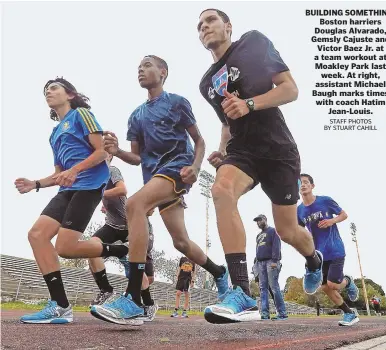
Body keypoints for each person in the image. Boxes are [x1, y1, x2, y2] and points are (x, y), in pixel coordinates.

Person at [197, 9, 323, 323]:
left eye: (210, 20)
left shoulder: (253, 42)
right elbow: (227, 120)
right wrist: (222, 150)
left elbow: (290, 89)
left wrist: (250, 103)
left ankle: (313, 260)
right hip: (243, 150)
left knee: (288, 229)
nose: (204, 27)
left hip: (278, 150)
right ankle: (241, 292)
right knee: (221, 189)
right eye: (199, 26)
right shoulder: (206, 83)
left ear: (228, 26)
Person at [90, 55, 229, 326]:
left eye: (147, 65)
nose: (140, 70)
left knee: (134, 205)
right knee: (181, 242)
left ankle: (132, 299)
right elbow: (136, 158)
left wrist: (196, 166)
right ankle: (219, 272)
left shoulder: (177, 103)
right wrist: (116, 151)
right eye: (138, 67)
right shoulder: (136, 116)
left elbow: (199, 140)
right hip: (156, 178)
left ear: (163, 72)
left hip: (178, 168)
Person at [14, 78, 128, 324]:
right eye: (45, 90)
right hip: (68, 189)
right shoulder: (54, 134)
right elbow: (59, 175)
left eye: (54, 88)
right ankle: (60, 306)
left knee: (64, 246)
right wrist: (35, 184)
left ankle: (122, 251)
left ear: (70, 94)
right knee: (37, 235)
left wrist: (75, 170)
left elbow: (102, 152)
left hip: (89, 185)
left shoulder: (81, 115)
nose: (48, 92)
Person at [87, 155, 158, 321]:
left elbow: (122, 190)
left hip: (130, 227)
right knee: (91, 247)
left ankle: (147, 303)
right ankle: (106, 289)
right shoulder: (93, 176)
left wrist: (102, 193)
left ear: (110, 156)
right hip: (111, 226)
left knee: (135, 268)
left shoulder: (112, 170)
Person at [297, 173, 360, 326]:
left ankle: (349, 281)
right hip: (320, 254)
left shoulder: (324, 201)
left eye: (306, 182)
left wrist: (332, 221)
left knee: (333, 284)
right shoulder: (299, 210)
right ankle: (349, 313)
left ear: (312, 186)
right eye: (300, 183)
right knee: (325, 287)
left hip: (335, 248)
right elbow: (299, 231)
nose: (303, 185)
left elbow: (343, 214)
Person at [254, 214, 288, 321]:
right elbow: (258, 250)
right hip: (260, 263)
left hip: (271, 261)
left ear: (265, 220)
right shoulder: (258, 236)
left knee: (274, 287)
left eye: (260, 220)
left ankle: (282, 313)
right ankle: (265, 313)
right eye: (257, 221)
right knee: (263, 289)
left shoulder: (273, 231)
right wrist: (255, 266)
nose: (258, 223)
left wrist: (274, 260)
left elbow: (276, 245)